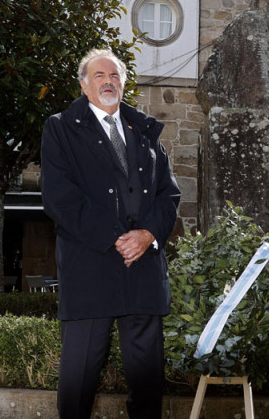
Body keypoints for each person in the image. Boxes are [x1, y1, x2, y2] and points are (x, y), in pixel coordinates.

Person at [41, 49, 181, 418]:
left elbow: (169, 194)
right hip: (91, 267)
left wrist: (148, 233)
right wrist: (116, 237)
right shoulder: (60, 128)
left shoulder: (146, 131)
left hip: (144, 269)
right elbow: (60, 198)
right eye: (99, 75)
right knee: (79, 377)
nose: (108, 81)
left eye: (115, 75)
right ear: (84, 84)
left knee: (148, 380)